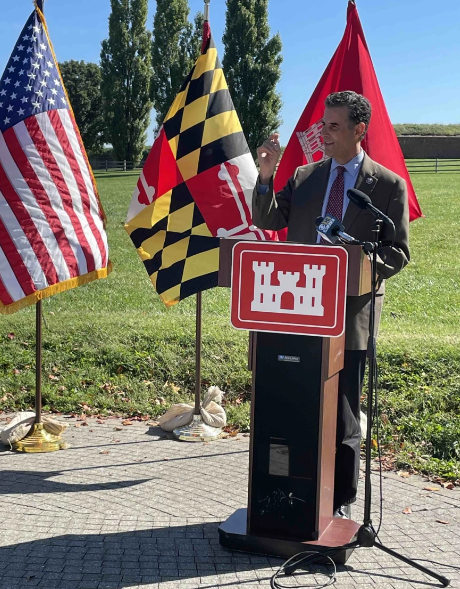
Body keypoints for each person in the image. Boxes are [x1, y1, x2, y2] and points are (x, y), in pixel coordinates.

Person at [252, 91, 410, 517]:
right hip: (299, 312)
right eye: (323, 125)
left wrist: (357, 265)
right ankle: (294, 494)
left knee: (343, 414)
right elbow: (268, 220)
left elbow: (397, 253)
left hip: (350, 315)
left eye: (334, 126)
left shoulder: (387, 186)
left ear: (360, 130)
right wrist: (265, 176)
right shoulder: (304, 177)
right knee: (296, 406)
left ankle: (341, 499)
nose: (324, 133)